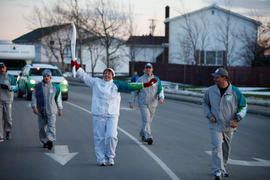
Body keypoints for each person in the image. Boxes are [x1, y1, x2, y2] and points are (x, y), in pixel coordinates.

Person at [71, 60, 157, 166]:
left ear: (112, 75)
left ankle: (110, 156)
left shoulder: (116, 84)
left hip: (112, 114)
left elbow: (131, 86)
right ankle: (101, 159)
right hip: (99, 114)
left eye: (109, 74)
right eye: (105, 73)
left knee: (112, 136)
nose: (107, 75)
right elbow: (84, 76)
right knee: (99, 138)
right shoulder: (96, 82)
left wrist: (146, 84)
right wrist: (76, 66)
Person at [202, 67, 247, 180]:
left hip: (229, 126)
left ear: (224, 78)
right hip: (215, 124)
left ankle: (223, 167)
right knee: (216, 147)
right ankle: (218, 171)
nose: (214, 79)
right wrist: (209, 115)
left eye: (217, 77)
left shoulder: (235, 91)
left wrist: (237, 119)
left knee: (225, 149)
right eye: (214, 77)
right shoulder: (210, 91)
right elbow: (205, 103)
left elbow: (244, 106)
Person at [129, 63, 164, 145]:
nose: (148, 69)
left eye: (149, 68)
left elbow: (160, 89)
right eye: (147, 68)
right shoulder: (140, 80)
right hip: (143, 103)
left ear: (152, 69)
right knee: (146, 120)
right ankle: (149, 137)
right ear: (144, 69)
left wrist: (161, 97)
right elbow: (134, 91)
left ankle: (142, 134)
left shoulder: (156, 79)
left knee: (148, 122)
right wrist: (131, 102)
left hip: (153, 104)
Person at [31, 69, 63, 150]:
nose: (46, 77)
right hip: (41, 111)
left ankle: (50, 140)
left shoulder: (55, 87)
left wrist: (60, 109)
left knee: (51, 126)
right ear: (43, 77)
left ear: (50, 77)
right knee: (42, 128)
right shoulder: (37, 87)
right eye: (45, 76)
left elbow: (58, 99)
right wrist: (34, 107)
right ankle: (44, 141)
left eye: (48, 76)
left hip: (51, 110)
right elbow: (34, 97)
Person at [0, 62, 17, 142]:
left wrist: (8, 87)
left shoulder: (10, 77)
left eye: (3, 67)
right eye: (0, 68)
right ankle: (0, 136)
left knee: (8, 118)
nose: (1, 69)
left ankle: (8, 131)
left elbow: (16, 88)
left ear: (6, 68)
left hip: (8, 100)